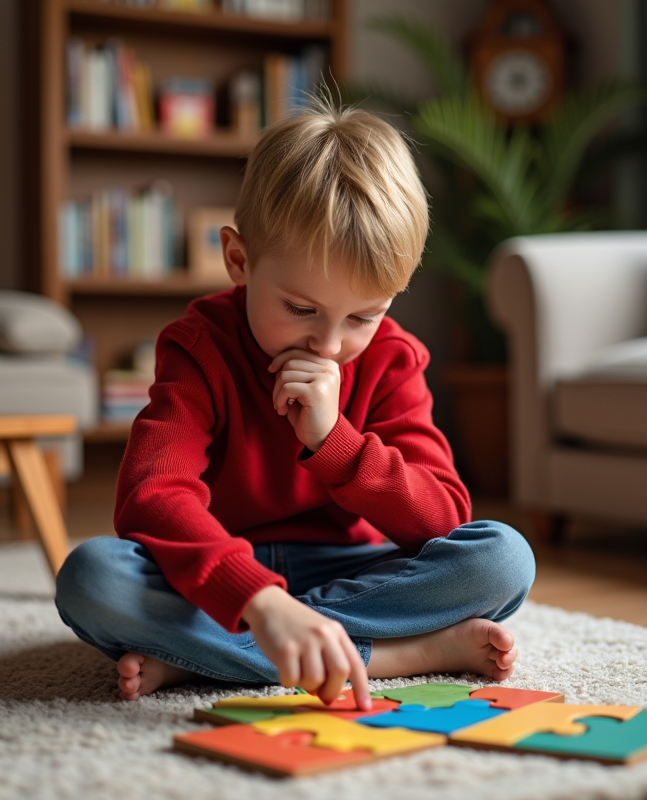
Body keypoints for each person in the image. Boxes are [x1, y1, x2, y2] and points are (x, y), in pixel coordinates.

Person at [54, 100, 536, 710]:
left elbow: (443, 517)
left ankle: (213, 655)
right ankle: (397, 655)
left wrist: (336, 443)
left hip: (356, 568)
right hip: (225, 563)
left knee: (503, 559)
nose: (329, 346)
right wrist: (260, 602)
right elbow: (152, 496)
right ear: (238, 261)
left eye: (363, 316)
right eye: (302, 309)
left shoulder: (392, 357)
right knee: (93, 578)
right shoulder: (199, 347)